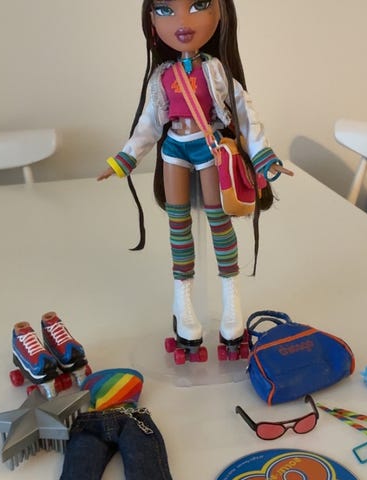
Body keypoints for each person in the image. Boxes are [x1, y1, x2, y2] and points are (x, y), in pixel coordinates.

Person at [98, 0, 292, 359]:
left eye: (198, 5)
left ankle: (232, 303)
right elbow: (148, 125)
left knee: (219, 223)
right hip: (175, 147)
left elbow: (244, 112)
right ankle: (183, 304)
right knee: (178, 226)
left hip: (208, 148)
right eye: (165, 9)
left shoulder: (215, 70)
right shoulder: (162, 77)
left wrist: (264, 156)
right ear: (151, 19)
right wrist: (125, 158)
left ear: (220, 12)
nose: (182, 20)